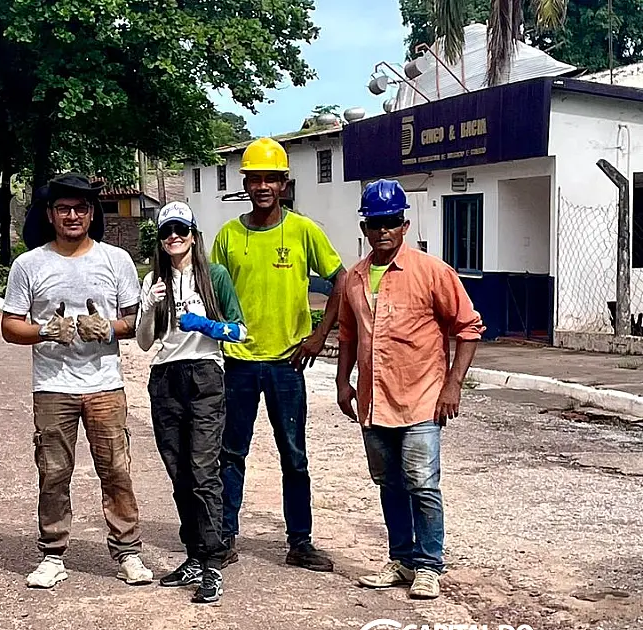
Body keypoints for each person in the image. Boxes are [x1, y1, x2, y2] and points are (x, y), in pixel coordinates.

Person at [1, 172, 153, 589]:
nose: (73, 215)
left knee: (116, 469)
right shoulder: (29, 264)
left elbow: (135, 321)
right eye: (64, 208)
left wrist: (106, 328)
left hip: (105, 383)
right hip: (52, 385)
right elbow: (9, 326)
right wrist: (46, 331)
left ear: (92, 213)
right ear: (50, 214)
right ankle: (52, 554)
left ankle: (128, 552)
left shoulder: (115, 260)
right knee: (53, 471)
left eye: (81, 208)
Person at [335, 179, 484, 600]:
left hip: (421, 399)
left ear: (404, 224)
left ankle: (429, 565)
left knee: (422, 483)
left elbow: (468, 328)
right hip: (373, 399)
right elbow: (348, 334)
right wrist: (342, 381)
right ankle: (400, 559)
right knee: (389, 484)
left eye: (392, 222)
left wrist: (452, 385)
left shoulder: (432, 272)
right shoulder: (355, 278)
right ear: (365, 227)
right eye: (376, 223)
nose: (383, 231)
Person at [210, 137, 345, 572]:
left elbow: (340, 280)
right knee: (231, 453)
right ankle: (225, 536)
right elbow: (211, 294)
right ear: (245, 183)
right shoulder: (229, 236)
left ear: (284, 184)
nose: (263, 186)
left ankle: (299, 542)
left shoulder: (303, 230)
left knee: (294, 455)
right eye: (255, 179)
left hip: (288, 363)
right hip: (239, 362)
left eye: (272, 178)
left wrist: (319, 335)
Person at [136, 201, 244, 604]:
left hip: (205, 375)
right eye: (167, 233)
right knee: (180, 473)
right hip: (165, 377)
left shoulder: (214, 276)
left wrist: (206, 325)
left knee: (203, 472)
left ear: (193, 236)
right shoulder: (154, 281)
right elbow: (145, 343)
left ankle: (213, 564)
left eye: (181, 230)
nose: (174, 238)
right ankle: (194, 556)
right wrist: (148, 307)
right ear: (160, 241)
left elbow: (240, 330)